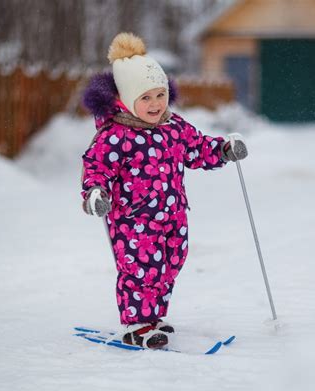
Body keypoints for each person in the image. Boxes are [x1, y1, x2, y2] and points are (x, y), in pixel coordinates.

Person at [80, 32, 247, 349]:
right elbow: (96, 168)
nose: (156, 104)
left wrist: (223, 150)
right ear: (127, 100)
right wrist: (95, 194)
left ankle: (154, 317)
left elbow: (198, 148)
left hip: (173, 214)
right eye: (145, 98)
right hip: (133, 220)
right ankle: (137, 323)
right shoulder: (116, 135)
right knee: (140, 269)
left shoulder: (175, 127)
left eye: (160, 94)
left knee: (170, 265)